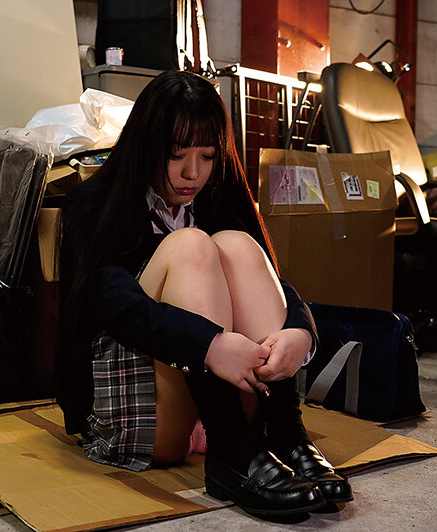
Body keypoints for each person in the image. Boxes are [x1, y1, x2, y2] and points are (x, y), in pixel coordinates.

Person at [56, 70, 352, 517]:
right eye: (175, 155)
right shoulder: (95, 203)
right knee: (191, 245)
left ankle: (285, 434)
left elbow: (275, 283)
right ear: (144, 146)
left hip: (232, 403)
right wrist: (209, 345)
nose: (192, 173)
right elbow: (115, 305)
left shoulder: (216, 199)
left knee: (237, 244)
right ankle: (232, 452)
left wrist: (301, 332)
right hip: (145, 413)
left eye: (208, 156)